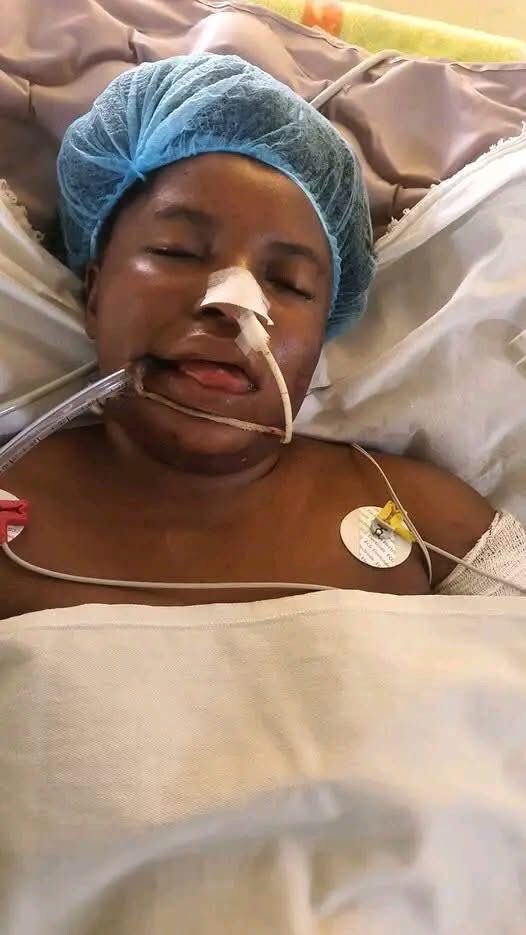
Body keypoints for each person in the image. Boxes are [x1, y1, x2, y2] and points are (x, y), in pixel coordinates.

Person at [0, 53, 524, 620]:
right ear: (95, 295)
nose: (232, 304)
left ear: (323, 335)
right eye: (177, 251)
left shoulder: (427, 522)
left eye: (289, 283)